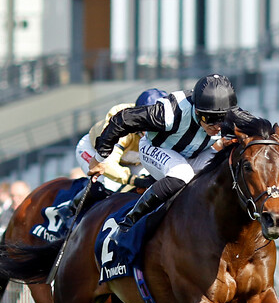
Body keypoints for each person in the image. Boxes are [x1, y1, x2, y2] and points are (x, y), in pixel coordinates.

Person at [92, 75, 239, 238]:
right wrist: (99, 158)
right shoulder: (168, 112)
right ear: (196, 110)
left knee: (224, 169)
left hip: (195, 153)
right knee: (183, 174)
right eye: (211, 119)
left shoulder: (234, 116)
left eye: (223, 118)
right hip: (155, 148)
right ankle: (129, 222)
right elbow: (122, 119)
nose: (218, 127)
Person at [63, 88, 169, 222]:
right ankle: (68, 211)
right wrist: (133, 180)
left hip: (133, 160)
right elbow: (108, 164)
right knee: (103, 187)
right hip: (96, 153)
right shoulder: (123, 118)